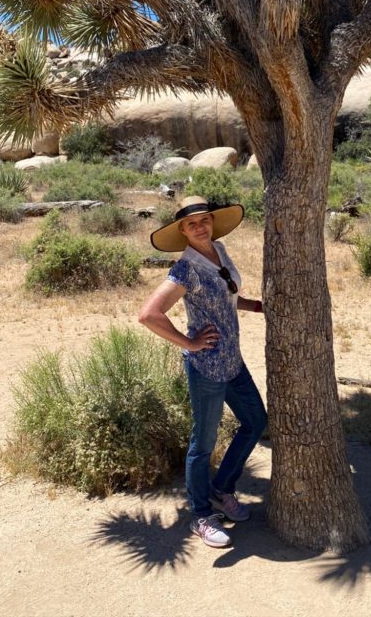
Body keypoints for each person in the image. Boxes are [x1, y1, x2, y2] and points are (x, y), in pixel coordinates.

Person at [138, 196, 267, 549]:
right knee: (203, 443)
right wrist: (188, 342)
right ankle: (200, 515)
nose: (200, 226)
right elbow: (149, 314)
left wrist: (255, 305)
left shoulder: (219, 251)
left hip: (233, 363)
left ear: (212, 222)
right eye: (191, 223)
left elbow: (224, 296)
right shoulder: (185, 269)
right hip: (206, 367)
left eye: (204, 219)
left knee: (256, 422)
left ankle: (221, 489)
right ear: (181, 230)